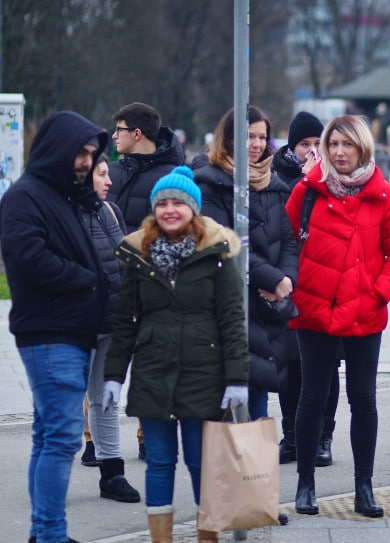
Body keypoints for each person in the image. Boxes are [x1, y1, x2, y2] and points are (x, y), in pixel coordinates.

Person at [102, 166, 249, 543]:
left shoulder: (217, 255)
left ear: (193, 209)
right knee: (160, 464)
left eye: (178, 203)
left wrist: (237, 379)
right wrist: (114, 375)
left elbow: (233, 320)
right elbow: (126, 321)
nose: (170, 209)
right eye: (162, 203)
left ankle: (208, 537)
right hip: (154, 374)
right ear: (154, 209)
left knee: (201, 464)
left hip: (205, 377)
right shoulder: (139, 255)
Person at [285, 115, 390, 517]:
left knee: (363, 399)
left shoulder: (383, 194)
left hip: (364, 311)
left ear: (362, 149)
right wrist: (298, 290)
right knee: (313, 396)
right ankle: (306, 484)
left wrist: (376, 294)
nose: (339, 152)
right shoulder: (306, 192)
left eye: (347, 145)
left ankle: (364, 487)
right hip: (314, 309)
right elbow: (286, 246)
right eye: (333, 144)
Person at [0, 111, 109, 543]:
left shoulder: (63, 194)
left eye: (90, 153)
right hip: (51, 333)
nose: (85, 161)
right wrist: (86, 280)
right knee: (63, 439)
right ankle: (48, 534)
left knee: (49, 436)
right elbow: (28, 258)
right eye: (79, 152)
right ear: (55, 149)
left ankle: (44, 532)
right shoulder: (25, 196)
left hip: (68, 331)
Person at [194, 106, 298, 424]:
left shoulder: (274, 183)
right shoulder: (209, 181)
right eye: (248, 136)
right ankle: (223, 473)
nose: (256, 143)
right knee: (226, 400)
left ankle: (255, 473)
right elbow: (224, 242)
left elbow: (290, 242)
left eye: (262, 137)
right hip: (227, 303)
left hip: (266, 307)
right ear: (228, 139)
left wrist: (286, 281)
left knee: (259, 393)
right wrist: (272, 279)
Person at [270, 111, 337, 466]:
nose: (311, 150)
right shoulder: (278, 177)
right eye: (304, 144)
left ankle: (324, 435)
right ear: (292, 147)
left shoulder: (334, 178)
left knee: (325, 364)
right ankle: (293, 435)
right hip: (289, 281)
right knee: (290, 366)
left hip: (325, 282)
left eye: (316, 144)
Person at [81, 154, 142, 504]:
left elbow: (124, 259)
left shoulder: (110, 211)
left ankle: (112, 473)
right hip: (80, 324)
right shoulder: (66, 213)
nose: (109, 181)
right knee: (68, 403)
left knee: (106, 397)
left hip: (112, 322)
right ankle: (50, 479)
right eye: (102, 174)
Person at [107, 102, 187, 232]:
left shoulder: (173, 179)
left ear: (137, 134)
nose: (114, 135)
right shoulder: (108, 173)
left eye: (120, 130)